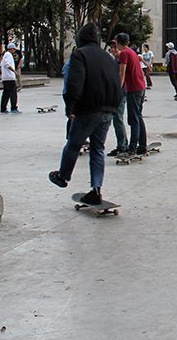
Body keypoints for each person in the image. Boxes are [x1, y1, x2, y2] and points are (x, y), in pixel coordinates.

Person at [49, 23, 122, 205]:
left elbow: (75, 84)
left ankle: (63, 177)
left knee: (74, 143)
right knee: (98, 149)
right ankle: (96, 189)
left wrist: (70, 107)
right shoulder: (108, 58)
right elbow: (117, 82)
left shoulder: (79, 55)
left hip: (88, 109)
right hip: (108, 110)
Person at [116, 33, 147, 156]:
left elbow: (122, 73)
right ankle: (142, 145)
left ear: (118, 42)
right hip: (140, 86)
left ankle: (132, 148)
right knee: (138, 116)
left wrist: (118, 90)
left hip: (133, 89)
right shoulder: (132, 52)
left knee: (133, 119)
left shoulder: (124, 53)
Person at [106, 39, 129, 158]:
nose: (114, 50)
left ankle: (123, 146)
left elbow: (122, 76)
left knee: (118, 119)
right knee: (116, 119)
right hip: (116, 93)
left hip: (121, 93)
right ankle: (122, 144)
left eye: (116, 48)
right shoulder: (115, 60)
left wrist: (118, 92)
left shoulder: (122, 60)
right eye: (112, 48)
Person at [0, 43, 21, 114]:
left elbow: (1, 65)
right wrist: (15, 72)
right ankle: (14, 108)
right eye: (14, 49)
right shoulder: (8, 55)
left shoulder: (5, 55)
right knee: (13, 93)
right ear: (11, 49)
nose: (14, 50)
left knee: (6, 94)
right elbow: (7, 65)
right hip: (9, 78)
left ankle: (3, 109)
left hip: (5, 78)